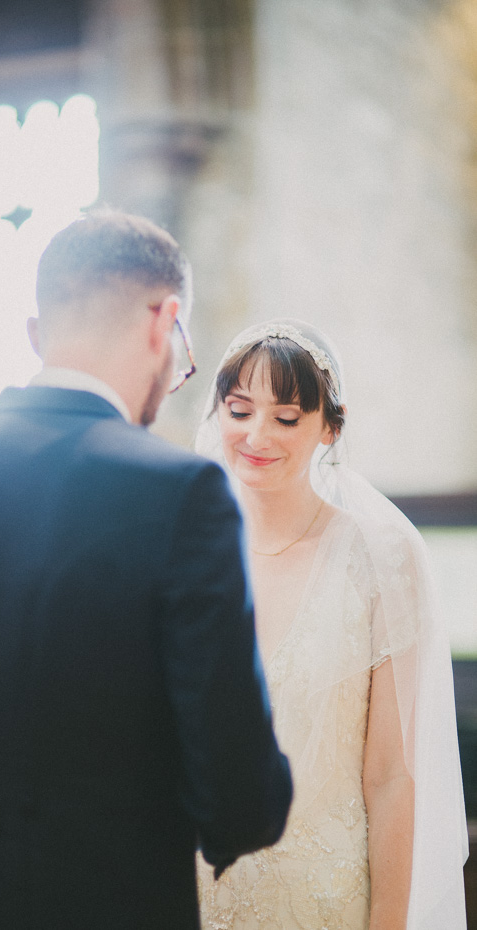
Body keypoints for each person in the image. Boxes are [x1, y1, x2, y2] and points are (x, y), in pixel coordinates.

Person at [0, 212, 293, 930]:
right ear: (165, 321)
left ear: (40, 333)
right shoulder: (180, 493)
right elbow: (238, 796)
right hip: (111, 899)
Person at [195, 320, 468, 930]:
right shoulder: (187, 549)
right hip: (197, 889)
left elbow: (392, 777)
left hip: (322, 899)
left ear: (330, 428)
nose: (256, 435)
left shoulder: (381, 555)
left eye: (286, 418)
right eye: (239, 410)